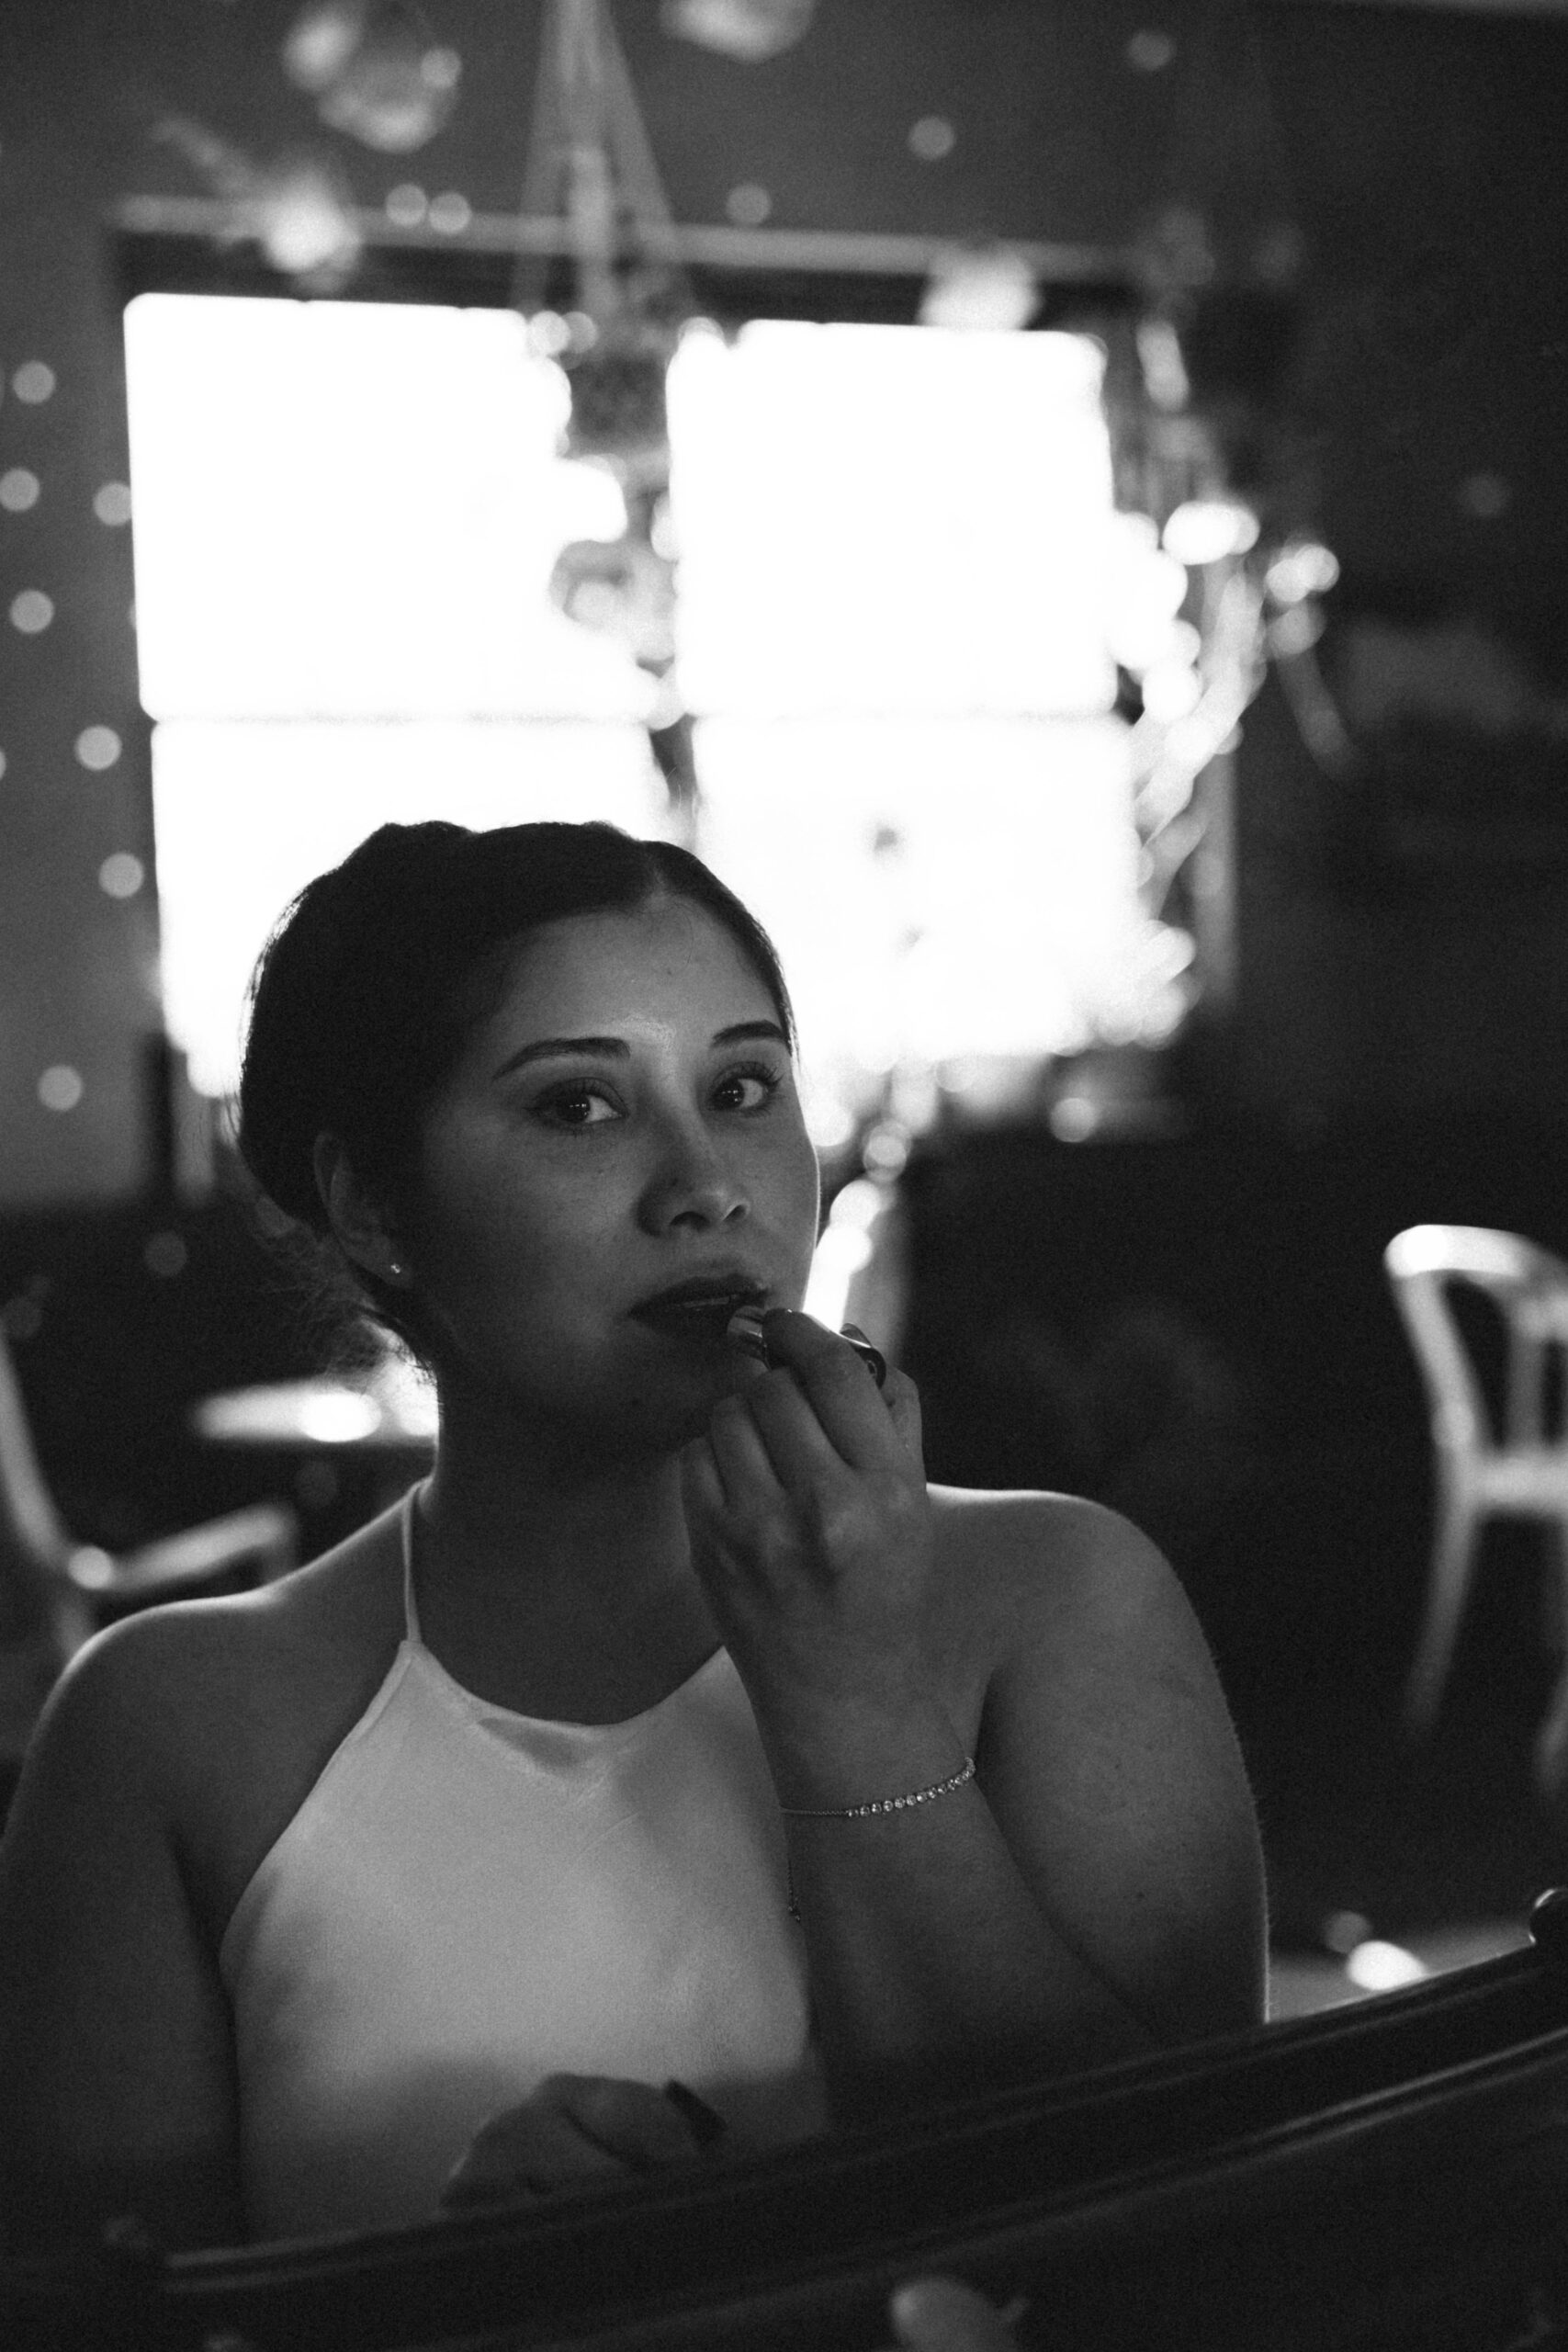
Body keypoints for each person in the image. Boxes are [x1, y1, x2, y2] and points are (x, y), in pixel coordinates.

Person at [0, 820, 1266, 2254]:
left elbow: (1201, 2254)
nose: (705, 1186)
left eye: (742, 1087)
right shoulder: (164, 1732)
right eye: (577, 1110)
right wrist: (461, 2296)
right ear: (372, 1206)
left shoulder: (1066, 1600)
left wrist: (858, 1709)